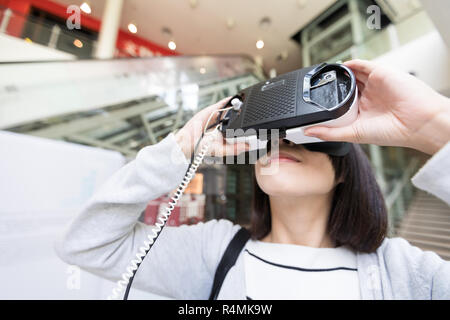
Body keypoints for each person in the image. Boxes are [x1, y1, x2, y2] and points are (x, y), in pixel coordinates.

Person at [55, 59, 450, 299]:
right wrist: (180, 147)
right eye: (272, 135)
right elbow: (85, 245)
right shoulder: (215, 251)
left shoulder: (404, 273)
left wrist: (434, 125)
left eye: (305, 136)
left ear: (344, 169)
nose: (282, 143)